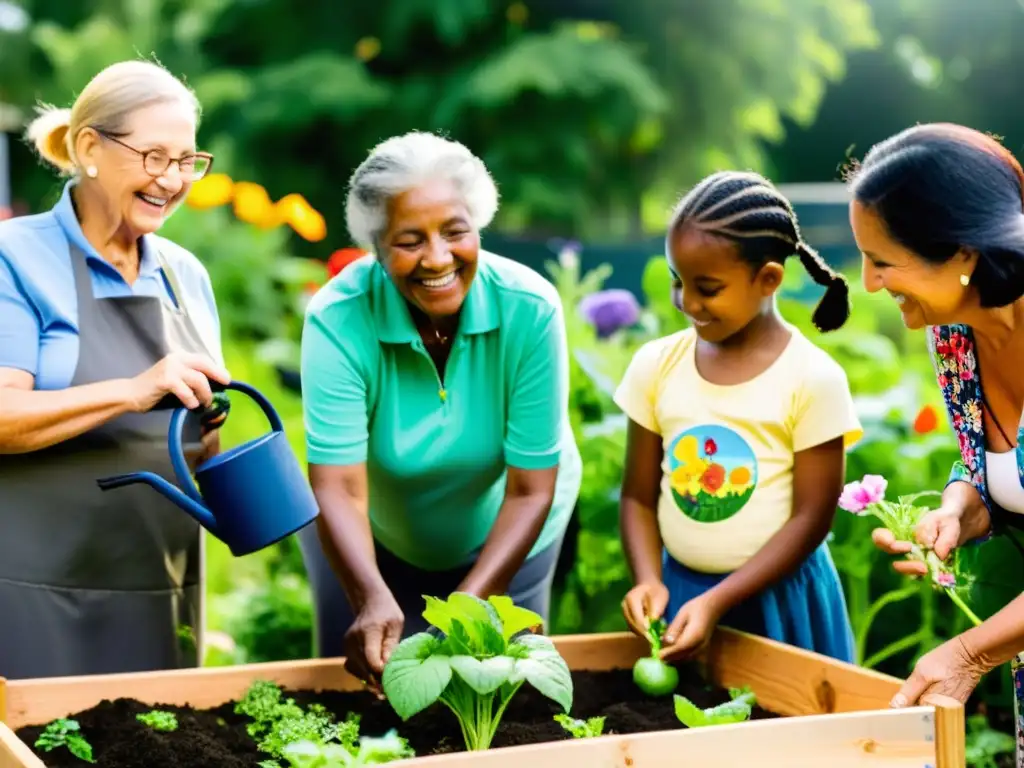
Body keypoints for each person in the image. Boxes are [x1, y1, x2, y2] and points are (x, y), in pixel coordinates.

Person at [298, 131, 582, 687]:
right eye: (409, 240)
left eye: (455, 232)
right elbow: (339, 488)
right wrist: (370, 594)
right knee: (355, 691)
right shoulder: (338, 318)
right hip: (371, 532)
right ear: (376, 247)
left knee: (495, 692)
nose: (438, 258)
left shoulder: (530, 308)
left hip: (509, 523)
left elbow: (530, 490)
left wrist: (462, 611)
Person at [0, 60, 231, 679]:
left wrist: (212, 428)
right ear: (89, 147)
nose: (173, 180)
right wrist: (133, 391)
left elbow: (197, 444)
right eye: (155, 156)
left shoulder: (185, 274)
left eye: (187, 161)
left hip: (162, 593)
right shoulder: (16, 256)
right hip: (32, 592)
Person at [616, 170, 863, 663]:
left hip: (782, 602)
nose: (687, 302)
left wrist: (720, 599)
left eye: (707, 288)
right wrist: (648, 579)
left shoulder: (812, 378)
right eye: (676, 282)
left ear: (768, 278)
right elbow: (637, 497)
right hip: (683, 596)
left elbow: (812, 519)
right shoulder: (656, 365)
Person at [849, 123, 1024, 759]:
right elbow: (996, 469)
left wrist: (970, 653)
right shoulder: (953, 336)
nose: (869, 283)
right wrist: (959, 510)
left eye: (883, 261)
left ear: (964, 253)